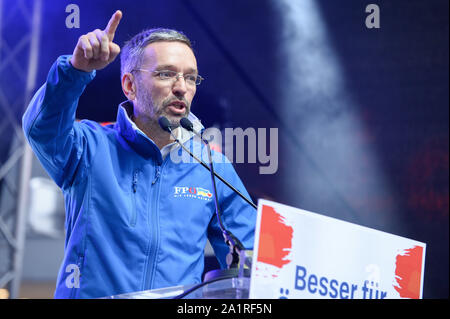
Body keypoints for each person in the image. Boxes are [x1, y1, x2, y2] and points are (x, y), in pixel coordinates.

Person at [22, 10, 256, 299]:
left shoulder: (211, 166)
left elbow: (252, 259)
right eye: (166, 74)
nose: (182, 87)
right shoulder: (88, 147)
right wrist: (75, 72)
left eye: (191, 78)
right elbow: (40, 129)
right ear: (130, 86)